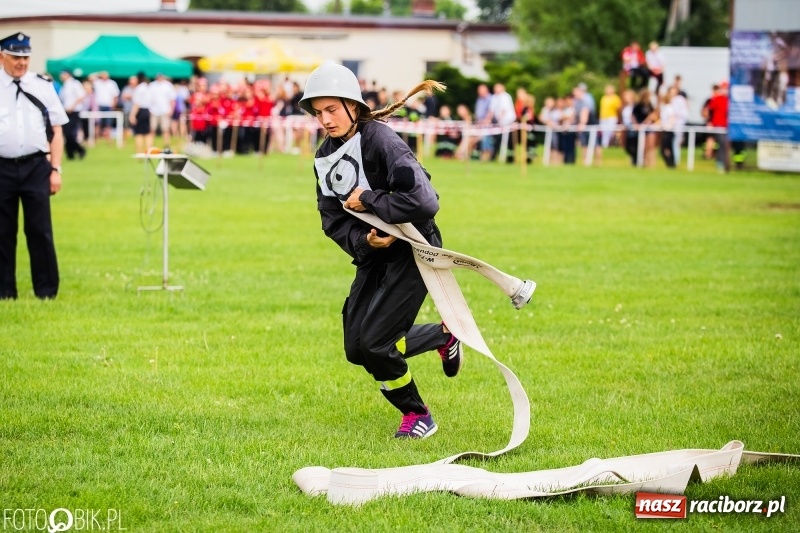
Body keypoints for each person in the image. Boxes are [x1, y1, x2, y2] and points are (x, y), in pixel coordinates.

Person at [298, 62, 463, 440]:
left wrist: (372, 200)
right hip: (373, 254)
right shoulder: (324, 157)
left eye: (332, 109)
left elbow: (424, 201)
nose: (325, 119)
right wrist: (365, 242)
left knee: (376, 343)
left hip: (414, 249)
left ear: (353, 106)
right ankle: (442, 335)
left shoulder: (382, 140)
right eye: (319, 112)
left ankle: (418, 415)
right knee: (358, 348)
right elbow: (331, 219)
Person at [0, 32, 68, 299]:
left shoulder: (42, 85)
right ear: (2, 56)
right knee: (3, 233)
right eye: (16, 57)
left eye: (26, 57)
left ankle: (46, 291)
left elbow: (57, 131)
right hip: (2, 168)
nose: (22, 63)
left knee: (40, 230)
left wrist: (56, 169)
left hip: (36, 166)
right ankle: (5, 292)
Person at [58, 69, 87, 160]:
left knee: (70, 133)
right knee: (66, 133)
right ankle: (70, 154)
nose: (61, 76)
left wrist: (72, 106)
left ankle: (80, 149)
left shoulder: (75, 84)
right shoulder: (64, 86)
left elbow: (81, 96)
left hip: (74, 111)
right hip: (65, 112)